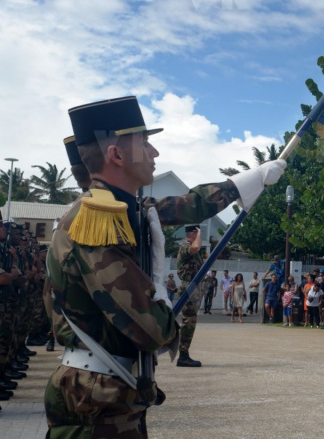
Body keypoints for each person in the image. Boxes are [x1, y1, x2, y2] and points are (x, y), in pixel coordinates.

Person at [44, 96, 286, 436]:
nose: (154, 152)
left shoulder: (125, 210)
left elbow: (188, 205)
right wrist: (165, 310)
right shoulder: (98, 220)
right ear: (116, 156)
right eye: (144, 143)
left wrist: (251, 179)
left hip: (107, 388)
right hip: (96, 397)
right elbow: (152, 329)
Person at [176, 225, 204, 367]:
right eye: (197, 233)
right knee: (188, 322)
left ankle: (184, 354)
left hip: (193, 288)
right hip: (189, 288)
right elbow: (196, 247)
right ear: (193, 233)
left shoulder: (190, 248)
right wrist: (199, 233)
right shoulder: (186, 246)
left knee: (190, 322)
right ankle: (183, 356)